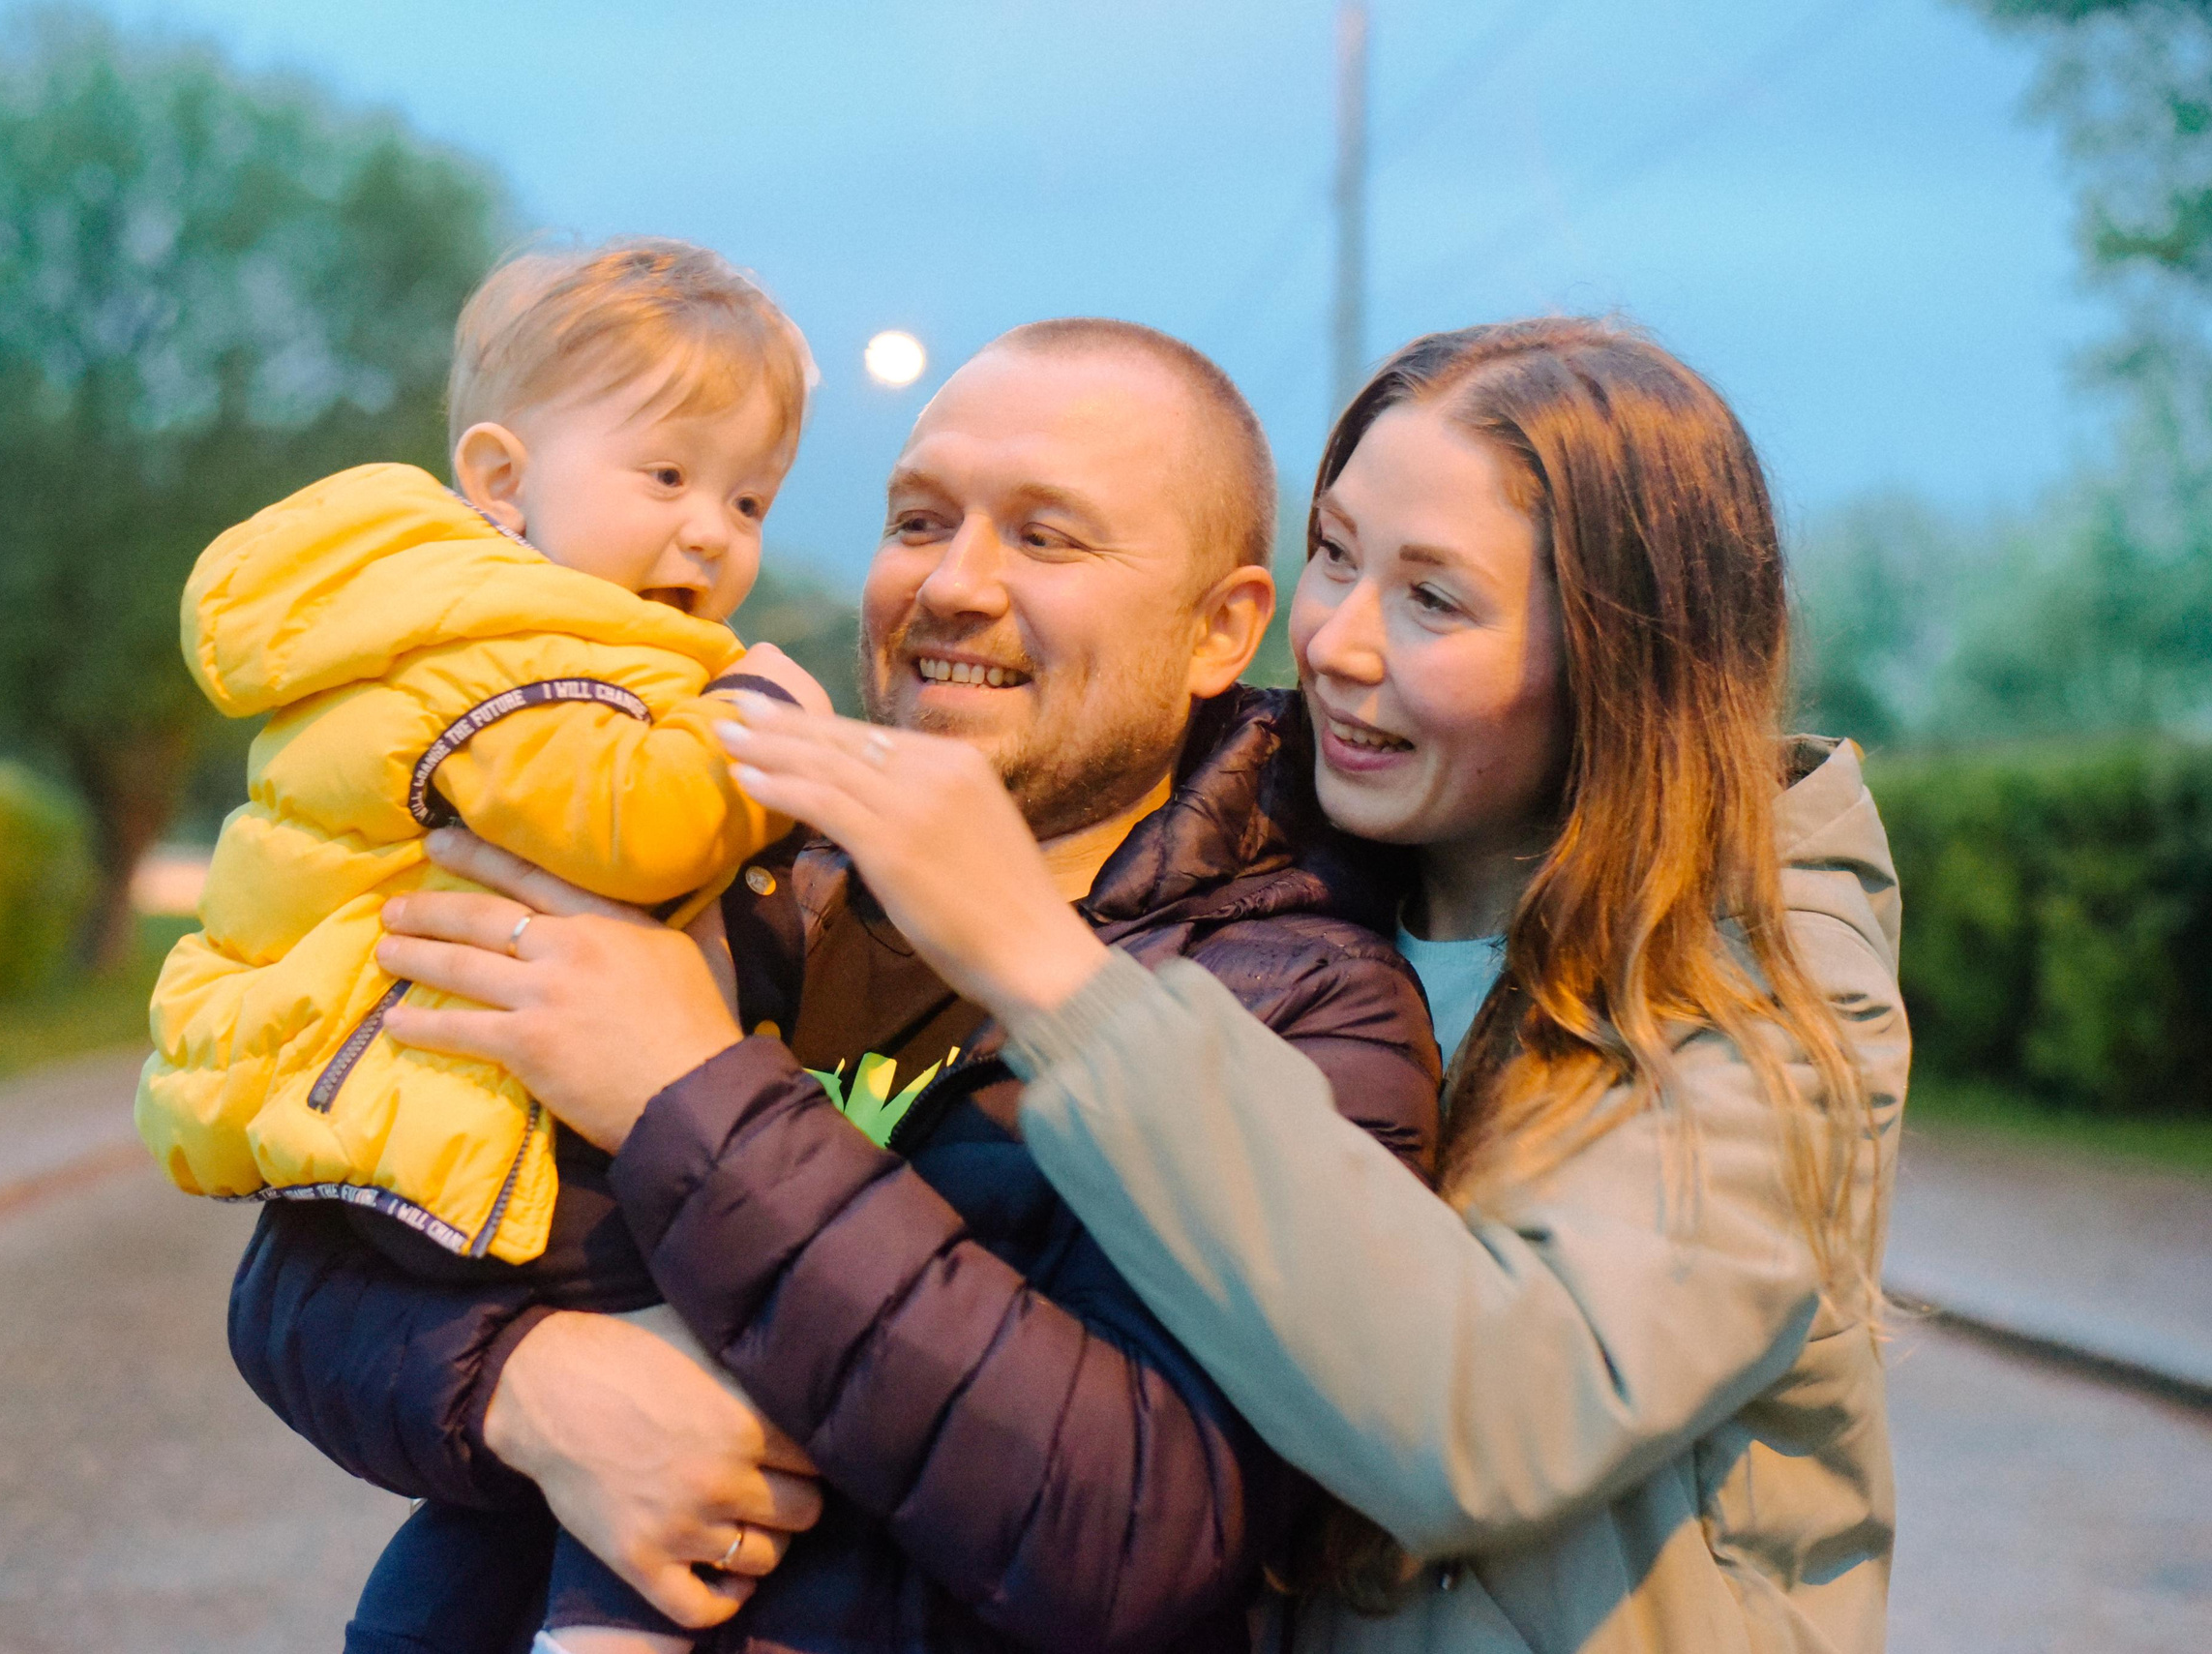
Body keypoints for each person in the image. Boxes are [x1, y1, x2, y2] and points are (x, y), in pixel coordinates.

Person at [227, 319, 1446, 1652]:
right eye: (919, 521)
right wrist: (525, 1381)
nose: (955, 586)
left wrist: (685, 1091)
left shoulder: (1306, 1002)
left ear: (1223, 628)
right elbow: (303, 1259)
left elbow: (1134, 1527)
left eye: (1047, 538)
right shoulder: (726, 850)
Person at [717, 317, 1910, 1652]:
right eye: (1335, 553)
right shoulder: (1286, 884)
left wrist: (1044, 971)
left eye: (1435, 598)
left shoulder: (1754, 987)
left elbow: (1494, 1417)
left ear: (1618, 663)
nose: (1337, 641)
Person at [136, 237, 832, 1654]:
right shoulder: (506, 652)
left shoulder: (470, 624)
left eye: (748, 496)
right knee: (694, 1356)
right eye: (667, 477)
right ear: (505, 480)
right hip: (485, 1139)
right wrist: (763, 732)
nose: (711, 530)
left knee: (492, 1517)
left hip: (430, 1123)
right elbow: (639, 825)